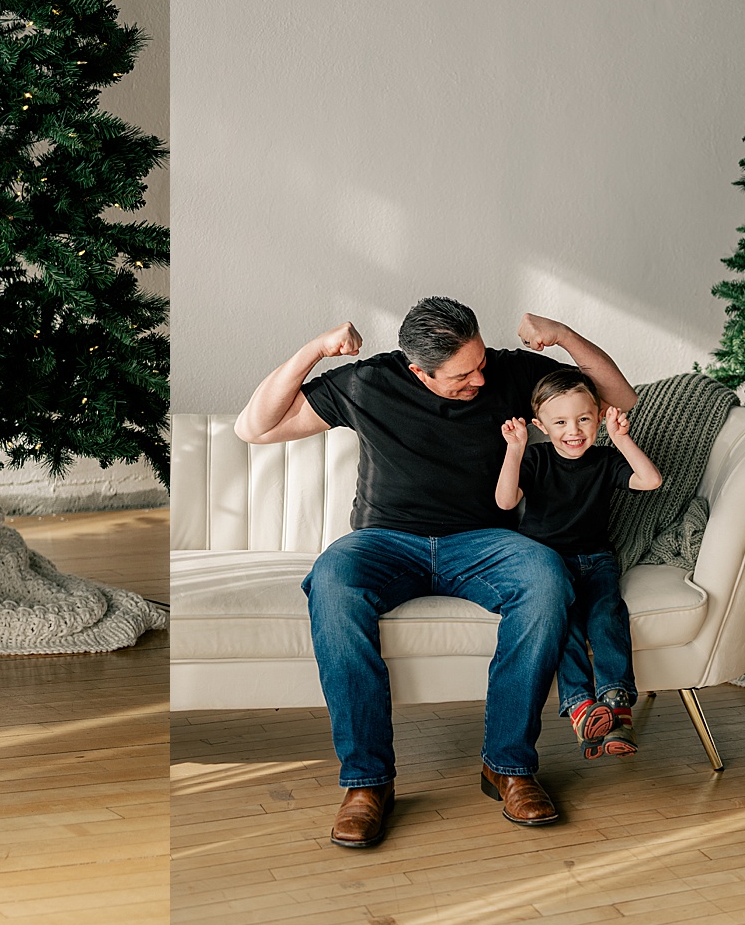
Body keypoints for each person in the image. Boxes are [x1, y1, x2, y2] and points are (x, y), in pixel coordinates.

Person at [233, 296, 637, 848]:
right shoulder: (369, 383)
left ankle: (509, 766)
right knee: (331, 580)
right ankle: (367, 783)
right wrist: (317, 349)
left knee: (546, 578)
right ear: (419, 369)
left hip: (482, 541)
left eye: (480, 364)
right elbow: (254, 427)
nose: (479, 379)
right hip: (384, 540)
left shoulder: (508, 371)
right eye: (462, 375)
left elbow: (621, 397)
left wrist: (562, 334)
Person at [495, 368, 662, 759]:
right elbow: (505, 502)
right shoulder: (535, 457)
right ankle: (581, 708)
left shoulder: (605, 459)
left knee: (607, 617)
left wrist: (621, 439)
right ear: (541, 426)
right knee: (565, 626)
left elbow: (650, 480)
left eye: (584, 418)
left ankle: (618, 710)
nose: (574, 430)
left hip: (597, 560)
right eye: (560, 422)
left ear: (600, 416)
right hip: (548, 565)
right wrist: (515, 449)